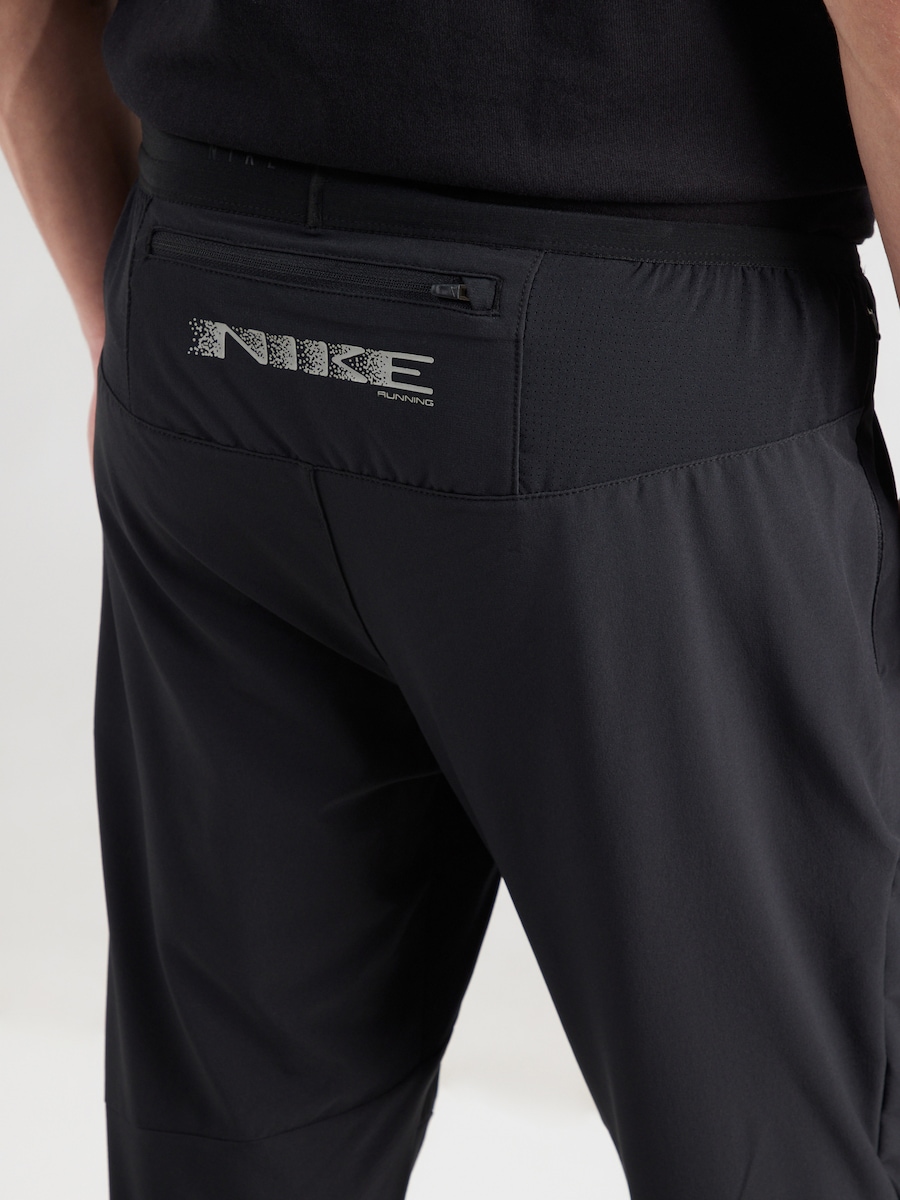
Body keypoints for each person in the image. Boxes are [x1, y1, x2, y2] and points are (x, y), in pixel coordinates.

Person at [3, 1, 900, 1197]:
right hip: (632, 368)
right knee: (793, 1154)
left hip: (208, 319)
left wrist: (126, 320)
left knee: (227, 1155)